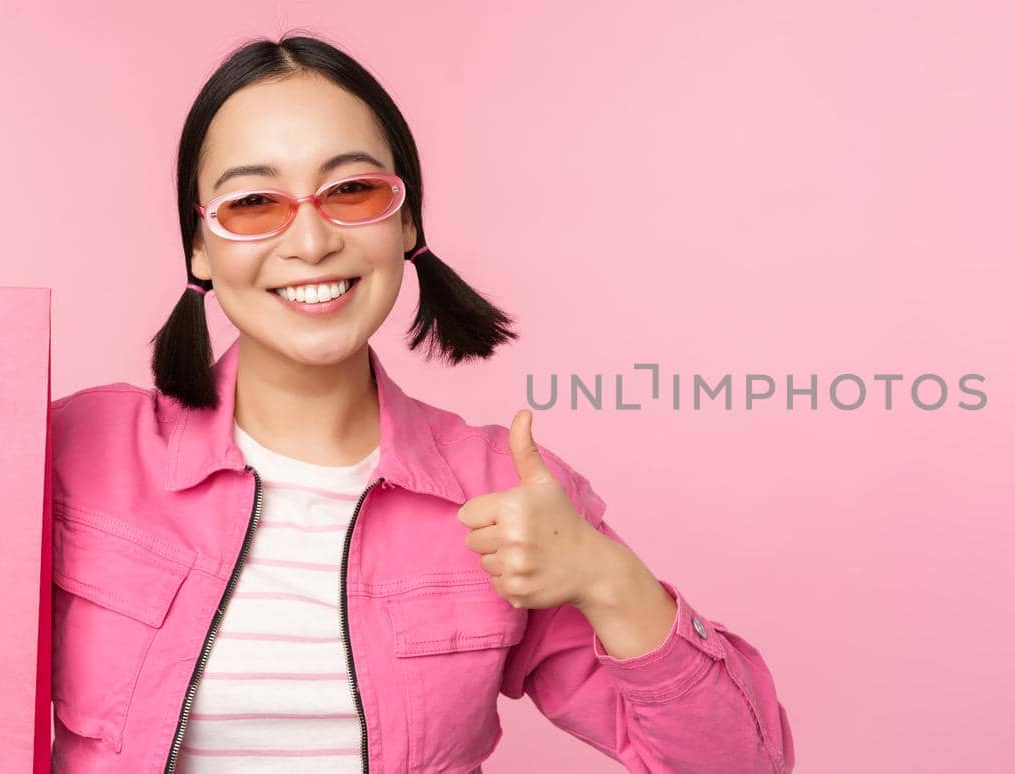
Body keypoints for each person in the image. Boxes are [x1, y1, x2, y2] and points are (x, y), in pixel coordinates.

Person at [47, 33, 794, 773]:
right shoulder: (77, 450)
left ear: (406, 223)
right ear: (199, 249)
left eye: (352, 191)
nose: (310, 241)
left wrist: (606, 577)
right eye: (252, 203)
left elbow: (740, 765)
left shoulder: (508, 494)